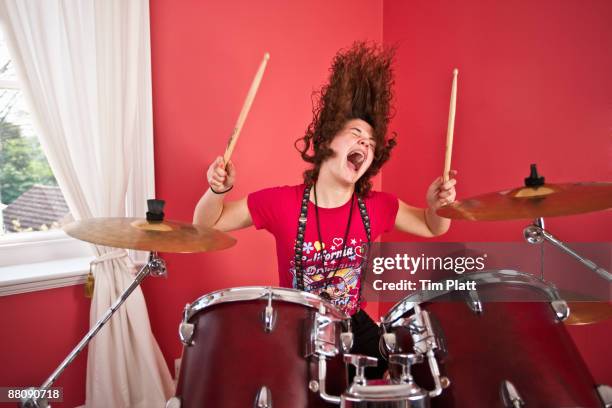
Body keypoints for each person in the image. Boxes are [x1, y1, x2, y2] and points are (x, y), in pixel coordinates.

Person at [193, 42, 457, 379]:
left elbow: (434, 227)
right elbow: (206, 224)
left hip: (355, 325)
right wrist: (218, 189)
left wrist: (439, 206)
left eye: (371, 143)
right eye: (356, 134)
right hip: (301, 328)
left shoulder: (377, 207)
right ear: (327, 140)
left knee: (410, 374)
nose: (365, 143)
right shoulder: (281, 203)